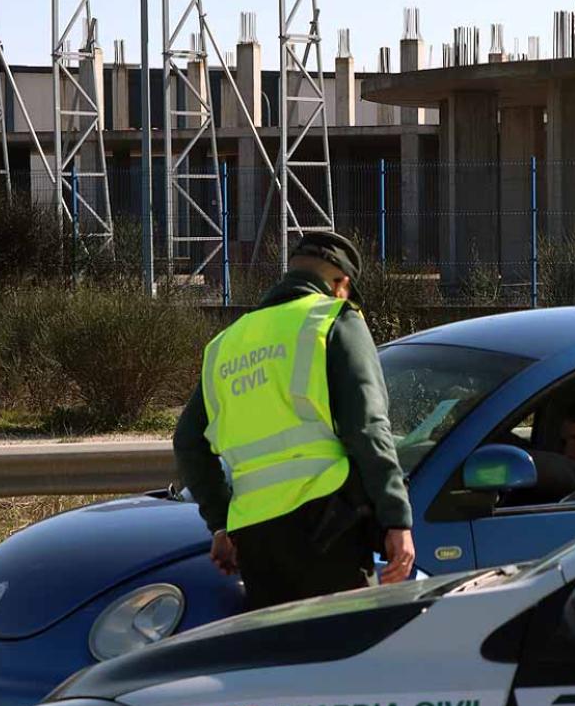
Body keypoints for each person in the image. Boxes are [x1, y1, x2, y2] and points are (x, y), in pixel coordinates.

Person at [172, 231, 415, 610]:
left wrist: (221, 523)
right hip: (327, 526)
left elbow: (188, 442)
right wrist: (397, 519)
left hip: (255, 539)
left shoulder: (227, 343)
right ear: (341, 284)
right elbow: (368, 427)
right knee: (347, 656)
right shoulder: (334, 318)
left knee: (280, 660)